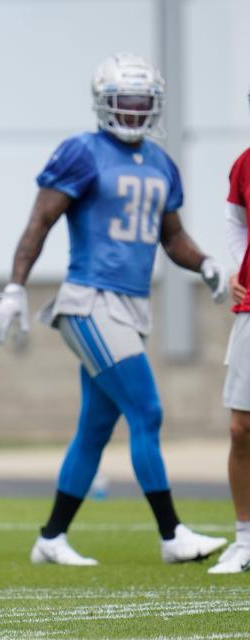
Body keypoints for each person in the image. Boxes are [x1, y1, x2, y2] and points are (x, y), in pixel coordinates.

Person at [0, 52, 229, 566]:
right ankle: (172, 535)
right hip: (89, 301)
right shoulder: (81, 151)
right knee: (147, 410)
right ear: (104, 102)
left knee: (96, 428)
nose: (134, 111)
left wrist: (206, 262)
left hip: (132, 306)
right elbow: (40, 223)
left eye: (143, 102)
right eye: (125, 101)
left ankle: (51, 539)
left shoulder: (162, 162)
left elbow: (173, 237)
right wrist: (14, 286)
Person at [208, 88, 250, 575]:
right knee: (242, 430)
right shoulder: (244, 164)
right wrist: (240, 266)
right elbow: (234, 218)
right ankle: (244, 539)